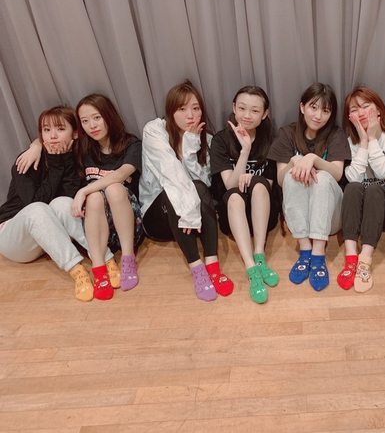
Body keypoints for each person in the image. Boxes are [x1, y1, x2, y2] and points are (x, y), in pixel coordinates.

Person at [0, 106, 118, 302]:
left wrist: (63, 161)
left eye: (60, 129)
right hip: (13, 237)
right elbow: (35, 203)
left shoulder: (77, 159)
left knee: (63, 203)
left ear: (75, 133)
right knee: (38, 209)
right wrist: (50, 159)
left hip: (47, 239)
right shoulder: (26, 161)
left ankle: (105, 258)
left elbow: (69, 199)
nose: (52, 136)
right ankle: (77, 271)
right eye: (46, 130)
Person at [139, 81, 223, 302]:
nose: (190, 116)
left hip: (192, 221)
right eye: (182, 109)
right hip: (159, 216)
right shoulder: (154, 130)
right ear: (170, 111)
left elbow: (203, 186)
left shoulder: (207, 140)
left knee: (198, 187)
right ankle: (197, 268)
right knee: (173, 190)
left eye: (195, 108)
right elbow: (171, 175)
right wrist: (189, 213)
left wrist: (190, 147)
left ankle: (212, 264)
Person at [268, 82, 351, 291]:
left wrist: (313, 158)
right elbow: (280, 179)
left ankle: (318, 254)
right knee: (291, 177)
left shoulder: (336, 134)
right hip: (301, 221)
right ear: (302, 106)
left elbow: (337, 174)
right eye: (313, 107)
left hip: (330, 219)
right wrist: (294, 161)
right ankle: (305, 250)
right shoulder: (287, 133)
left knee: (322, 178)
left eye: (325, 110)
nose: (318, 115)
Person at [209, 86, 280, 304]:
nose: (247, 115)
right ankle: (251, 268)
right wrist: (245, 151)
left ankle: (259, 256)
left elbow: (268, 185)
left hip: (263, 215)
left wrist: (252, 177)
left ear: (265, 114)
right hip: (233, 215)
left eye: (255, 110)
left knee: (258, 183)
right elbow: (230, 185)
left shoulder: (271, 138)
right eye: (242, 108)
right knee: (234, 195)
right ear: (234, 108)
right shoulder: (220, 140)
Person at [338, 86, 385, 292]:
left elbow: (383, 172)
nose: (361, 112)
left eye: (365, 106)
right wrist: (362, 142)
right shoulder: (350, 141)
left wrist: (371, 138)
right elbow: (353, 179)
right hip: (365, 213)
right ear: (349, 117)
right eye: (354, 109)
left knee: (374, 189)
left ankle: (365, 259)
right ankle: (351, 258)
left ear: (378, 109)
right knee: (353, 187)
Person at [72, 94, 143, 300]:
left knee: (114, 188)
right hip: (98, 227)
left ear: (108, 115)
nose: (92, 125)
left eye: (97, 118)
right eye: (85, 121)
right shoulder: (82, 149)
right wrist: (36, 146)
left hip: (128, 223)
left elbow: (121, 175)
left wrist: (83, 191)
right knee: (94, 197)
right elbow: (53, 136)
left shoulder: (131, 143)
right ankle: (99, 269)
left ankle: (128, 259)